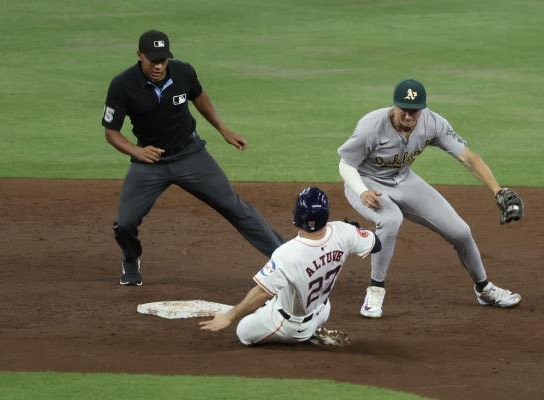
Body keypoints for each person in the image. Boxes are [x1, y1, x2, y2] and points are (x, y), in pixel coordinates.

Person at [101, 30, 283, 286]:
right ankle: (131, 258)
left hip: (191, 155)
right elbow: (111, 131)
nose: (159, 65)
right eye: (152, 60)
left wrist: (223, 128)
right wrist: (136, 151)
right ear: (139, 56)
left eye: (163, 59)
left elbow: (199, 98)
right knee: (125, 223)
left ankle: (286, 258)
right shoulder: (122, 84)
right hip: (150, 162)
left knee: (236, 208)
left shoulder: (183, 72)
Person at [337, 78, 524, 318]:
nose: (409, 116)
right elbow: (346, 164)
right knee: (391, 220)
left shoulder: (433, 123)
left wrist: (498, 190)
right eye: (404, 109)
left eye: (415, 110)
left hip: (404, 179)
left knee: (460, 231)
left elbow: (468, 157)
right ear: (394, 106)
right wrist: (362, 190)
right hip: (365, 181)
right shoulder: (371, 126)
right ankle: (376, 289)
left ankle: (484, 288)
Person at [199, 187, 382, 346]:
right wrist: (353, 230)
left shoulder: (287, 253)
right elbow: (377, 244)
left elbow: (262, 292)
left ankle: (307, 334)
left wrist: (229, 316)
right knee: (292, 285)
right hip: (322, 309)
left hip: (291, 326)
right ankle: (314, 328)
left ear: (296, 216)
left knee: (243, 333)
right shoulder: (344, 232)